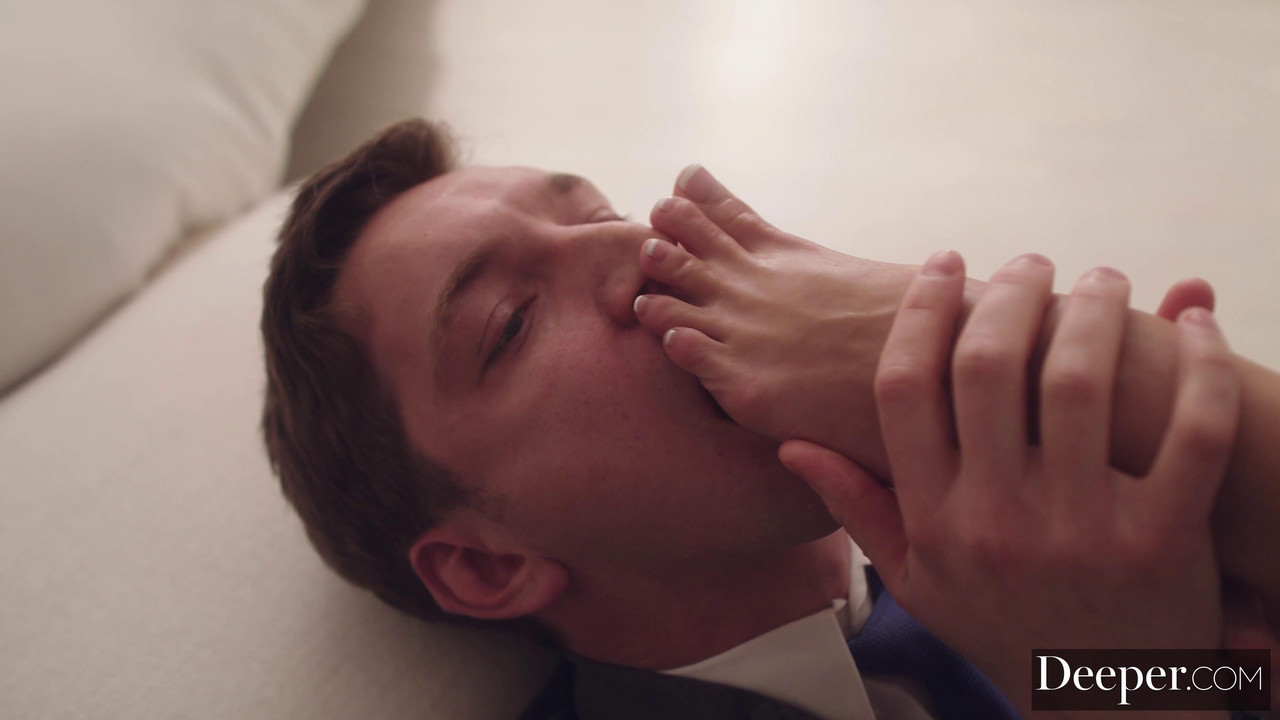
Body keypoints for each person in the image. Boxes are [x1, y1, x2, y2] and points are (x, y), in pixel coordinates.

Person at [260, 119, 1275, 719]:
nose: (642, 249)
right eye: (511, 321)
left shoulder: (1047, 570)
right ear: (488, 567)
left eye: (600, 212)